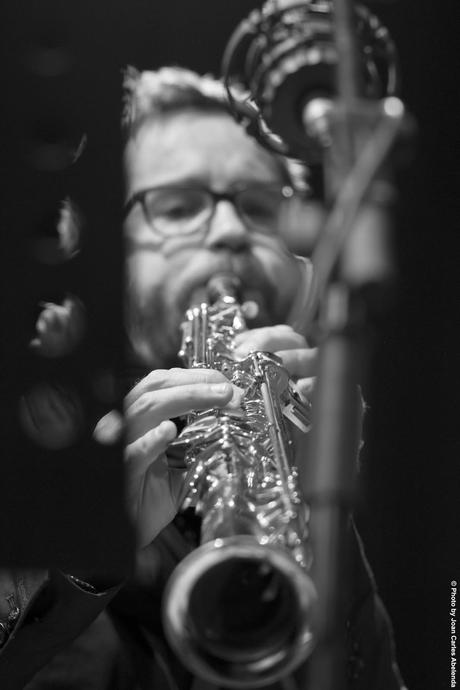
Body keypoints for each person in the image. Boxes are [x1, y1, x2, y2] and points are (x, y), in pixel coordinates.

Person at [0, 66, 406, 690]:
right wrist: (70, 563)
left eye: (259, 206)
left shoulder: (318, 461)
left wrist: (328, 532)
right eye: (179, 206)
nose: (229, 232)